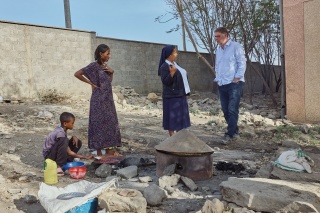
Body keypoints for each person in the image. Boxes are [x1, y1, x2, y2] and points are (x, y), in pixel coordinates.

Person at [74, 44, 122, 157]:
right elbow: (77, 74)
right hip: (98, 99)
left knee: (110, 123)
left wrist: (111, 72)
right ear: (101, 54)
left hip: (108, 99)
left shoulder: (105, 66)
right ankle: (99, 152)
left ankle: (110, 150)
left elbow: (108, 81)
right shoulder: (93, 66)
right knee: (98, 124)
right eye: (107, 53)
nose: (109, 56)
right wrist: (90, 83)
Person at [214, 27, 246, 143]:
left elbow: (242, 62)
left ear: (225, 35)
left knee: (232, 109)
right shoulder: (218, 50)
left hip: (234, 84)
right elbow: (218, 65)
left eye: (218, 36)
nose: (216, 39)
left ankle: (229, 134)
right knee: (225, 109)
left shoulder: (235, 46)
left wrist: (237, 77)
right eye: (215, 36)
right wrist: (218, 78)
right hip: (222, 83)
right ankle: (235, 131)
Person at [158, 45, 191, 136]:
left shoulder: (175, 64)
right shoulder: (164, 66)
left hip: (180, 94)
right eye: (175, 52)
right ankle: (173, 140)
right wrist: (172, 73)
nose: (176, 54)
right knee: (172, 119)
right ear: (169, 55)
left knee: (180, 118)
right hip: (172, 96)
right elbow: (166, 81)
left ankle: (180, 138)